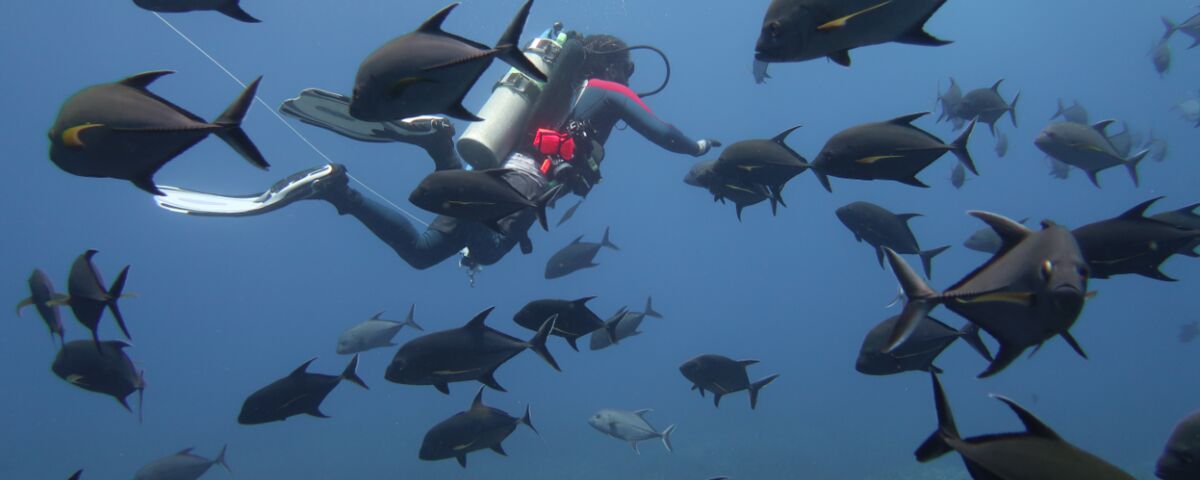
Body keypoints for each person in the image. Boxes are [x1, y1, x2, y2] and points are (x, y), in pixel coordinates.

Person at [155, 28, 718, 274]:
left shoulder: (570, 90)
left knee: (426, 252)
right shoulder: (605, 90)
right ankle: (438, 143)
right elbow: (661, 132)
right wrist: (698, 145)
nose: (631, 79)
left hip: (508, 168)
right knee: (492, 251)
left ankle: (335, 188)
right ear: (613, 65)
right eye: (629, 70)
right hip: (522, 180)